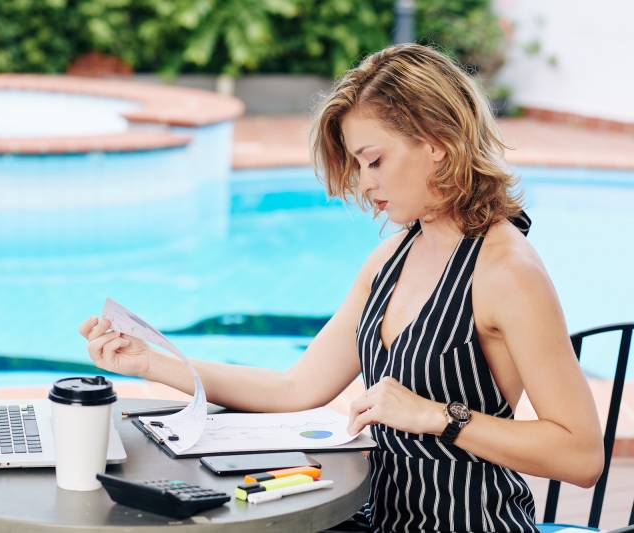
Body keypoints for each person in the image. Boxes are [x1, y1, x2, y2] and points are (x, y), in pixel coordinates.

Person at [79, 43, 604, 532]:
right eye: (357, 164)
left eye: (375, 160)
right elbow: (294, 390)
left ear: (438, 144)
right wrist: (151, 362)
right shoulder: (391, 260)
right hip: (380, 517)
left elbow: (580, 456)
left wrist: (434, 416)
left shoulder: (507, 272)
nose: (365, 182)